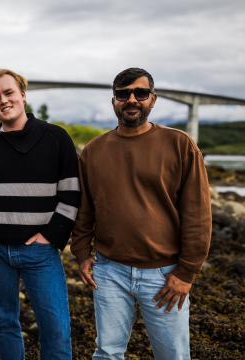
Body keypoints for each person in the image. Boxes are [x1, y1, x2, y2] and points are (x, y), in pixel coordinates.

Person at [71, 67, 212, 359]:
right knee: (107, 353)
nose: (131, 100)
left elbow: (198, 214)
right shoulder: (94, 151)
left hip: (165, 275)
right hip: (110, 271)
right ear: (114, 102)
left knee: (172, 355)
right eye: (122, 94)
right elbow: (85, 209)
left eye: (140, 93)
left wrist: (186, 272)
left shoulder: (180, 144)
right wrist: (83, 253)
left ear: (153, 98)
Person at [0, 69, 80, 359]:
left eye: (8, 93)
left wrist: (51, 236)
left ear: (23, 94)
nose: (3, 101)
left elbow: (71, 194)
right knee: (5, 323)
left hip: (40, 251)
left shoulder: (56, 138)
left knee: (56, 326)